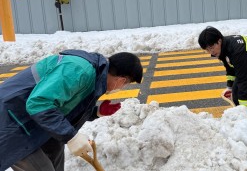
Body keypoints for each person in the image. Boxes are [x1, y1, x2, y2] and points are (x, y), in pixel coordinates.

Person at [0, 49, 143, 171]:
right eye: (125, 84)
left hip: (31, 121)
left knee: (55, 150)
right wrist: (71, 136)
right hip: (11, 122)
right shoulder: (79, 70)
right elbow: (39, 103)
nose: (121, 88)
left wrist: (96, 112)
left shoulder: (95, 76)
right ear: (122, 80)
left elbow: (63, 106)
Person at [198, 26, 247, 131]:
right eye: (207, 50)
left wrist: (243, 108)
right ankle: (240, 120)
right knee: (236, 90)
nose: (211, 52)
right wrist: (230, 87)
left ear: (219, 41)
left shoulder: (237, 50)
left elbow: (244, 79)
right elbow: (230, 68)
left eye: (211, 48)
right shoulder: (222, 49)